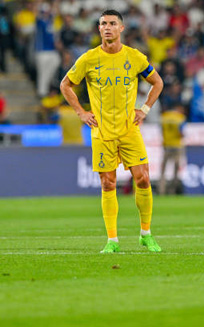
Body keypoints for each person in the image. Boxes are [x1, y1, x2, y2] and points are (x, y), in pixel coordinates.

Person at [60, 10, 164, 253]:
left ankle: (145, 234)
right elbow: (65, 85)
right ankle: (112, 241)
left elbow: (158, 82)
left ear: (121, 28)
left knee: (144, 178)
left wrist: (145, 109)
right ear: (99, 29)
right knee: (108, 184)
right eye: (103, 24)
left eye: (112, 23)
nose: (107, 27)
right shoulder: (88, 59)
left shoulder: (135, 57)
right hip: (102, 132)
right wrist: (81, 113)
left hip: (129, 129)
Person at [159, 105, 186, 195]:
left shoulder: (164, 117)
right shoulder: (180, 118)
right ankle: (172, 191)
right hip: (177, 146)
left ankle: (161, 190)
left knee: (163, 169)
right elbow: (181, 133)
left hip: (167, 146)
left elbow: (161, 130)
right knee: (175, 169)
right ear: (179, 109)